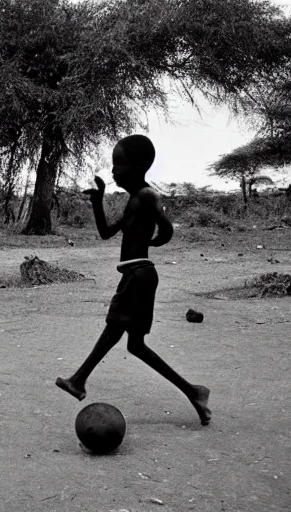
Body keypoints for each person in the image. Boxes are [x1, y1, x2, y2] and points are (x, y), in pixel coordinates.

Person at [55, 135, 211, 426]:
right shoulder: (132, 201)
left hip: (139, 275)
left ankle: (78, 379)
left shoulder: (148, 196)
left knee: (115, 325)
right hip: (136, 274)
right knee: (135, 345)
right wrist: (98, 201)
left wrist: (149, 242)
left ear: (138, 166)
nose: (113, 171)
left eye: (119, 164)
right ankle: (194, 392)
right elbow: (105, 233)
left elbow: (166, 229)